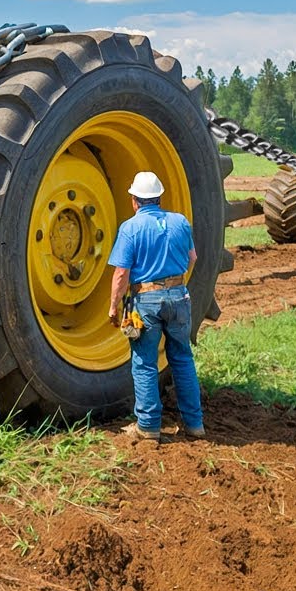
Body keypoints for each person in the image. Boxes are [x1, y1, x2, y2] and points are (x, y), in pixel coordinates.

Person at [107, 171, 204, 441]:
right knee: (183, 358)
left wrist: (114, 307)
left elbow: (121, 274)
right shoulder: (180, 221)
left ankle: (148, 427)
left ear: (134, 200)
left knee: (145, 362)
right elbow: (193, 257)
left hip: (146, 300)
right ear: (159, 198)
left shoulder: (131, 228)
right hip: (179, 296)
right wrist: (176, 282)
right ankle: (195, 424)